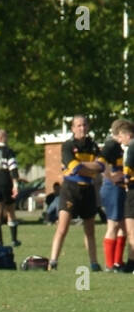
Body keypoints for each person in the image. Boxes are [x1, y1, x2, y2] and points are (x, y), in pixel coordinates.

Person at [47, 114, 104, 271]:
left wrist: (83, 166)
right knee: (63, 228)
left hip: (88, 190)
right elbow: (73, 166)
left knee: (90, 229)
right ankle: (53, 261)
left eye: (84, 125)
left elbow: (101, 167)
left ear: (88, 127)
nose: (82, 128)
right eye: (78, 125)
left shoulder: (93, 146)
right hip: (70, 190)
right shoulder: (67, 145)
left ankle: (94, 263)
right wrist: (89, 166)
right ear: (72, 128)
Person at [98, 119, 134, 271]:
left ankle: (118, 262)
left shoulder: (123, 147)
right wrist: (110, 177)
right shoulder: (111, 144)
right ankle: (109, 264)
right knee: (113, 225)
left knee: (122, 226)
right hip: (112, 188)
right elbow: (100, 161)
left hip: (120, 188)